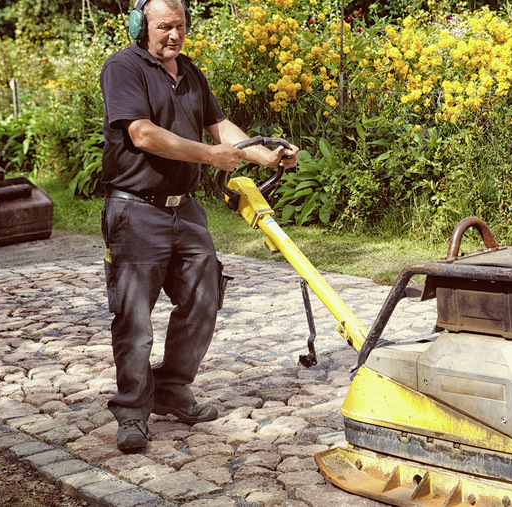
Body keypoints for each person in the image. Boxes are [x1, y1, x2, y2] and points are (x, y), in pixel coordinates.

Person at [99, 0, 299, 453]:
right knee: (134, 317)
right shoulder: (122, 68)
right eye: (164, 26)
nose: (174, 35)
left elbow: (221, 127)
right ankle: (132, 411)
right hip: (136, 209)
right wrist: (209, 156)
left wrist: (262, 153)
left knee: (204, 297)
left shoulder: (189, 72)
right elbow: (142, 134)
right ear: (141, 26)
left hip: (184, 208)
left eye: (180, 26)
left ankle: (171, 389)